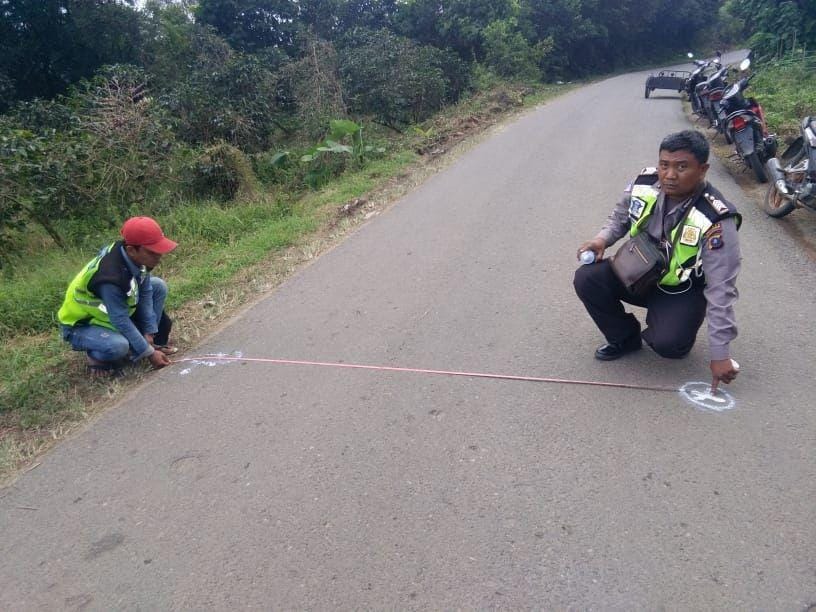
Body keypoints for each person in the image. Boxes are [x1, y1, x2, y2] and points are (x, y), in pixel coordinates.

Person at [573, 130, 741, 392]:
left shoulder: (716, 217)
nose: (670, 175)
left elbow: (722, 288)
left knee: (669, 346)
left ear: (703, 169)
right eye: (665, 165)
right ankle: (625, 338)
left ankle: (671, 326)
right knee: (587, 278)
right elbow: (620, 218)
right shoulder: (645, 182)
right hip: (637, 273)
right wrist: (601, 240)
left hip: (680, 290)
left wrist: (720, 354)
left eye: (682, 167)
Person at [58, 216, 178, 377]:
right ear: (131, 250)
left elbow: (146, 291)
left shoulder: (134, 257)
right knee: (119, 346)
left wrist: (149, 332)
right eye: (152, 252)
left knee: (158, 286)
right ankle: (96, 357)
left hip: (111, 314)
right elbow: (119, 318)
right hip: (81, 325)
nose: (158, 256)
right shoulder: (110, 278)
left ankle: (144, 344)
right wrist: (149, 353)